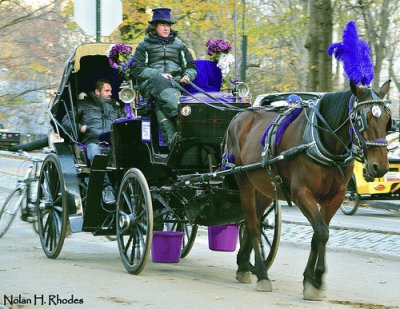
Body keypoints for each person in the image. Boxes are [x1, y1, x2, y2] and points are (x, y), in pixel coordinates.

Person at [132, 8, 197, 147]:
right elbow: (137, 69)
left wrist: (187, 75)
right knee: (159, 82)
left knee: (160, 106)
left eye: (168, 25)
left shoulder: (180, 46)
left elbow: (191, 67)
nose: (166, 28)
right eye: (162, 25)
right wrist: (158, 74)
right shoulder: (143, 46)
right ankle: (182, 119)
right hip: (151, 84)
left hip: (175, 84)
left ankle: (174, 142)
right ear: (155, 26)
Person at [62, 79, 123, 205]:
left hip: (113, 143)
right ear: (97, 91)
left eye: (111, 91)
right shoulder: (83, 105)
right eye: (107, 91)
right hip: (92, 142)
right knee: (95, 153)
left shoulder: (116, 107)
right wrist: (80, 127)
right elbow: (66, 121)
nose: (110, 93)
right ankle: (106, 188)